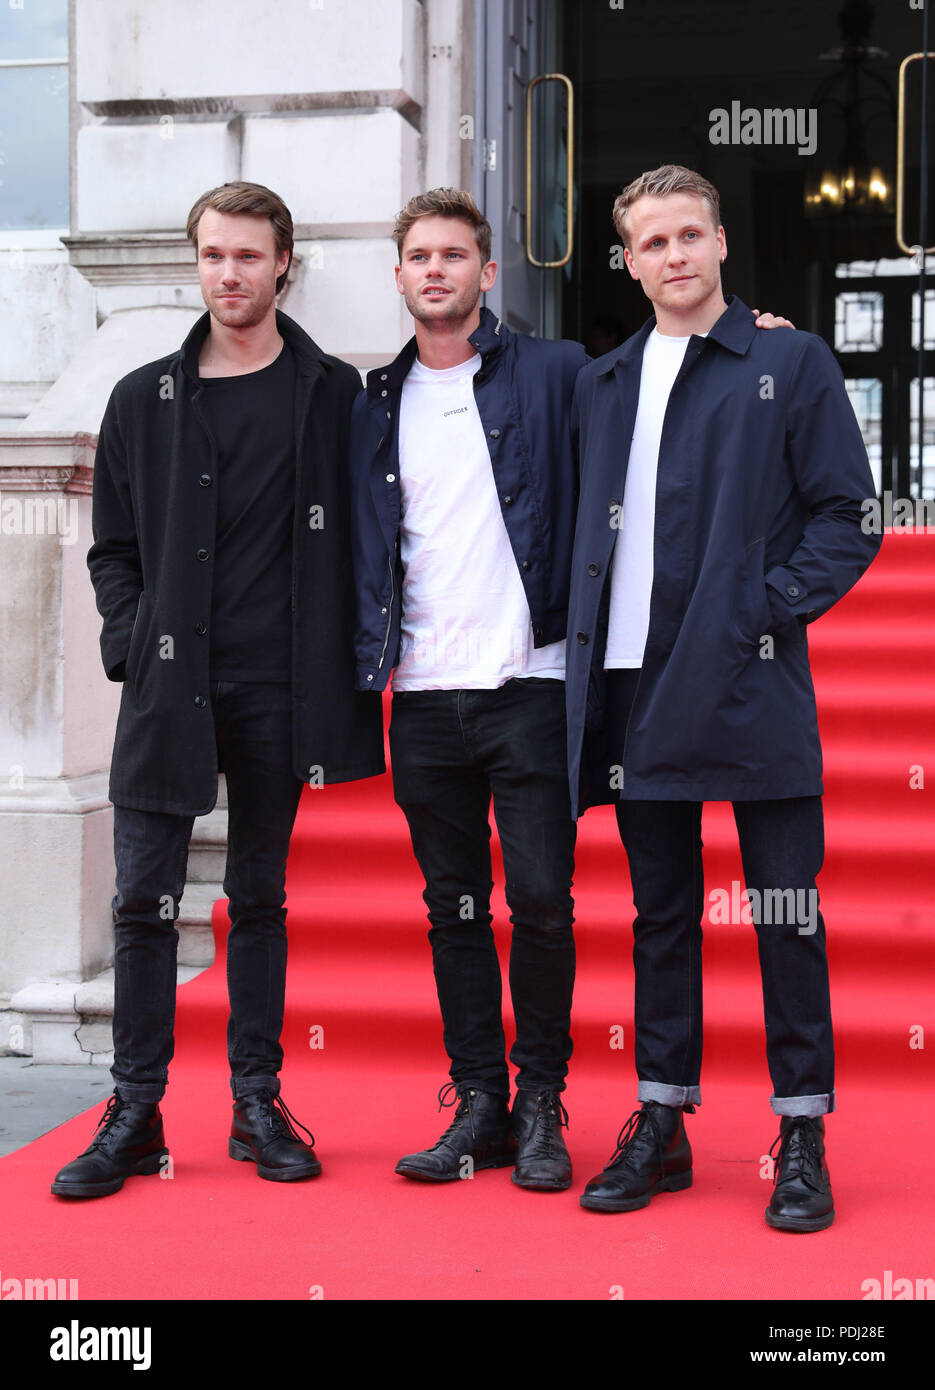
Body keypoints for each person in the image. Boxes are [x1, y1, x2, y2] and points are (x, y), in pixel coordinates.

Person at [349, 186, 788, 1193]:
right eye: (417, 256)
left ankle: (541, 1096)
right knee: (452, 908)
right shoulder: (370, 399)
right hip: (419, 694)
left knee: (543, 902)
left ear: (487, 273)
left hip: (531, 685)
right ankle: (479, 1107)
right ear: (399, 274)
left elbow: (674, 383)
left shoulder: (558, 374)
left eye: (454, 255)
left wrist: (757, 339)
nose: (435, 271)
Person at [51, 181, 384, 1199]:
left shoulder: (335, 394)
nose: (229, 274)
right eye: (213, 256)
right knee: (142, 901)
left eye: (248, 255)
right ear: (196, 263)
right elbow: (112, 548)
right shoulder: (142, 398)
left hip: (280, 690)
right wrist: (132, 639)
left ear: (284, 264)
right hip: (167, 686)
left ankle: (254, 1101)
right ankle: (135, 1109)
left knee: (259, 898)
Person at [565, 164, 881, 1229]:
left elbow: (848, 511)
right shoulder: (600, 382)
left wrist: (765, 604)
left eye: (690, 235)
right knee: (659, 915)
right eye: (651, 243)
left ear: (719, 244)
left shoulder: (786, 361)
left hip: (750, 680)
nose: (674, 256)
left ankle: (799, 1134)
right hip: (632, 683)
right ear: (628, 259)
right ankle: (661, 1122)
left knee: (784, 914)